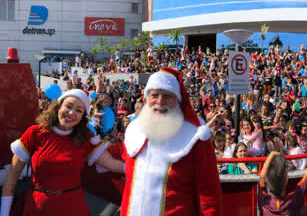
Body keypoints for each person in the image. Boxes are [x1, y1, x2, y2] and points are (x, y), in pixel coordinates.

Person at [1, 89, 125, 216]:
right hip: (37, 207)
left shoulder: (85, 138)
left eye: (79, 110)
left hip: (72, 208)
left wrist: (136, 167)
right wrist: (4, 212)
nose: (72, 113)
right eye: (69, 106)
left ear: (83, 116)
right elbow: (11, 179)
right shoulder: (35, 133)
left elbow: (109, 163)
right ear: (59, 106)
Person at [120, 67, 222, 215]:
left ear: (177, 100)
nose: (160, 101)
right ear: (146, 98)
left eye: (167, 96)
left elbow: (209, 192)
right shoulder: (134, 130)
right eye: (154, 95)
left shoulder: (195, 136)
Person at [258, 128, 307, 216]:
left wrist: (271, 154)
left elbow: (261, 177)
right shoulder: (294, 198)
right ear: (286, 180)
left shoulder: (262, 199)